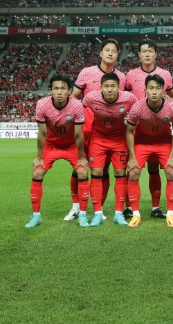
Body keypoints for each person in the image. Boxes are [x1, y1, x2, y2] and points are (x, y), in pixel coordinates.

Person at [67, 39, 125, 221]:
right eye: (106, 50)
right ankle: (75, 207)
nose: (110, 53)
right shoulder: (86, 72)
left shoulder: (122, 78)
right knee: (80, 167)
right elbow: (74, 97)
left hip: (108, 129)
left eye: (113, 51)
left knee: (104, 168)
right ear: (100, 53)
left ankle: (99, 210)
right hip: (86, 127)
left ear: (117, 55)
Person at [26, 74, 90, 228]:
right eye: (56, 88)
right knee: (37, 173)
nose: (59, 92)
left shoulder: (76, 105)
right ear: (50, 91)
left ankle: (82, 215)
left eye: (63, 88)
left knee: (82, 172)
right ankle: (36, 216)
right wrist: (39, 157)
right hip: (51, 145)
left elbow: (78, 134)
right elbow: (42, 133)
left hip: (71, 145)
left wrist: (81, 157)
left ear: (69, 90)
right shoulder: (42, 105)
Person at [124, 39, 173, 219]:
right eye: (143, 51)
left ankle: (156, 208)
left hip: (160, 129)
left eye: (150, 51)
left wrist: (171, 104)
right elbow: (122, 94)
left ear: (155, 54)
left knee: (155, 170)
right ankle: (130, 208)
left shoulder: (165, 74)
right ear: (139, 55)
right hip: (139, 129)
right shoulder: (130, 75)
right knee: (131, 169)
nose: (147, 54)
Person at [81, 73, 137, 226]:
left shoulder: (129, 98)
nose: (110, 89)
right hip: (98, 140)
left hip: (119, 140)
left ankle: (118, 213)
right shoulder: (91, 98)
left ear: (119, 87)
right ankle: (98, 213)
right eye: (106, 86)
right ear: (101, 88)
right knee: (97, 173)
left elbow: (141, 107)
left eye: (113, 86)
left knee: (120, 174)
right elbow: (80, 108)